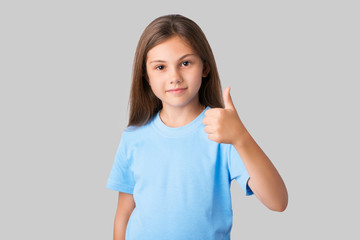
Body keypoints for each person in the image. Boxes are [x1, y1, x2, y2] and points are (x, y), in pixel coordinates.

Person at [106, 14, 288, 240]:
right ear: (146, 76)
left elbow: (278, 202)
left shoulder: (223, 134)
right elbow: (123, 214)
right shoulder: (133, 137)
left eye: (185, 63)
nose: (174, 77)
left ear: (205, 67)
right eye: (160, 67)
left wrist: (241, 137)